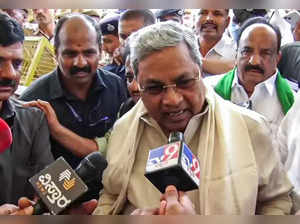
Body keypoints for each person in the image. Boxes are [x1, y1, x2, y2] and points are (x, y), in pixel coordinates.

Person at [93, 21, 292, 215]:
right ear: (137, 85)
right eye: (154, 88)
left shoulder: (251, 129)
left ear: (200, 72)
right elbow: (111, 196)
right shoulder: (124, 131)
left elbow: (277, 202)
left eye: (184, 81)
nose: (172, 100)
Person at [19, 13, 127, 170]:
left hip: (112, 189)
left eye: (88, 53)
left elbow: (124, 145)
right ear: (56, 53)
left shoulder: (116, 86)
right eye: (70, 54)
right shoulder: (34, 99)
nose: (80, 62)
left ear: (100, 50)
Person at [0, 13, 54, 213]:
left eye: (17, 63)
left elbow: (49, 192)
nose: (10, 74)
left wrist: (41, 208)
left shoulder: (33, 119)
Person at [207, 17, 295, 138]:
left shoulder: (293, 104)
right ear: (236, 53)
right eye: (247, 51)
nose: (254, 61)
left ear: (277, 58)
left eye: (265, 53)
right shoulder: (209, 91)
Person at [196, 9, 236, 76]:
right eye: (203, 13)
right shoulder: (183, 45)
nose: (209, 19)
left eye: (217, 14)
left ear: (227, 22)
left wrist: (189, 61)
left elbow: (237, 70)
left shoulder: (236, 51)